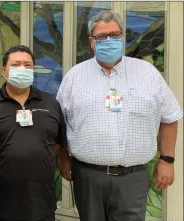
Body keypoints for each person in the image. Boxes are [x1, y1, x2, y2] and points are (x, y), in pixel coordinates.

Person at [56, 11, 183, 221]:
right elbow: (60, 123)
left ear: (122, 36)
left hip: (133, 177)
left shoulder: (147, 73)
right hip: (88, 176)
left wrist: (167, 160)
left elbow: (170, 116)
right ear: (91, 41)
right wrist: (63, 159)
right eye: (101, 37)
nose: (109, 41)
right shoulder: (74, 77)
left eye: (114, 35)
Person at [0, 45, 67, 221]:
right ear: (4, 71)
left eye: (28, 65)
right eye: (16, 65)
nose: (22, 69)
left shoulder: (50, 104)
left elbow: (60, 142)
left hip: (42, 202)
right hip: (1, 204)